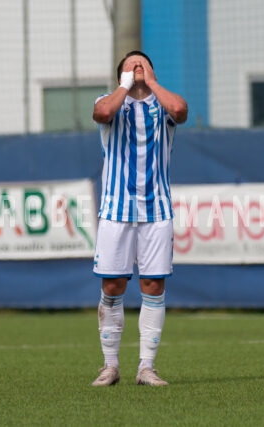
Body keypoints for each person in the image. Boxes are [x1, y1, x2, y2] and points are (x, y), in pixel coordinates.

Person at [90, 51, 188, 386]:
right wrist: (125, 86)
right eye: (130, 65)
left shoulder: (163, 105)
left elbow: (180, 110)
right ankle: (110, 365)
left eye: (142, 63)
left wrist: (152, 82)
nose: (137, 67)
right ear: (120, 75)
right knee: (113, 286)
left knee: (153, 285)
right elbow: (103, 113)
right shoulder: (109, 100)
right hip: (116, 211)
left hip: (156, 211)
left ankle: (146, 366)